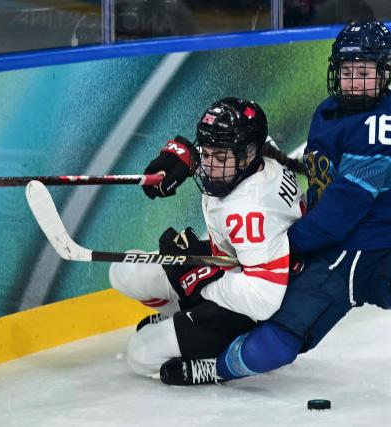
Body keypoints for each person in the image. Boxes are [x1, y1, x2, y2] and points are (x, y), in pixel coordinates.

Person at [154, 22, 391, 399]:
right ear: (335, 70)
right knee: (278, 345)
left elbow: (343, 208)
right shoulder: (327, 113)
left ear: (385, 73)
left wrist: (281, 247)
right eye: (347, 71)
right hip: (334, 251)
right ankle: (215, 366)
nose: (354, 82)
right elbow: (311, 177)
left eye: (365, 73)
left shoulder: (387, 124)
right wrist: (196, 157)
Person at [108, 97, 306, 378]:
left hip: (249, 309)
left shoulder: (250, 211)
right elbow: (224, 139)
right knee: (123, 272)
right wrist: (180, 155)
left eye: (219, 158)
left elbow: (263, 299)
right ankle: (180, 316)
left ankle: (216, 363)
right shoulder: (259, 153)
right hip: (231, 267)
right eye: (206, 153)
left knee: (140, 354)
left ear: (248, 154)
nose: (209, 165)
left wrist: (201, 285)